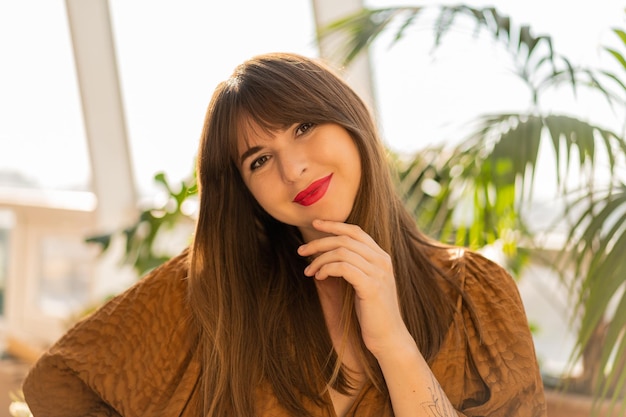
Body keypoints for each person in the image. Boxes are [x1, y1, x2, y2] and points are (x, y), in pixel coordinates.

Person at [22, 52, 546, 417]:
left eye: (302, 126)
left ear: (350, 121)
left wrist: (394, 344)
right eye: (260, 159)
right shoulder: (213, 291)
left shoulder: (474, 293)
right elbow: (58, 384)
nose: (293, 168)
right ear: (243, 187)